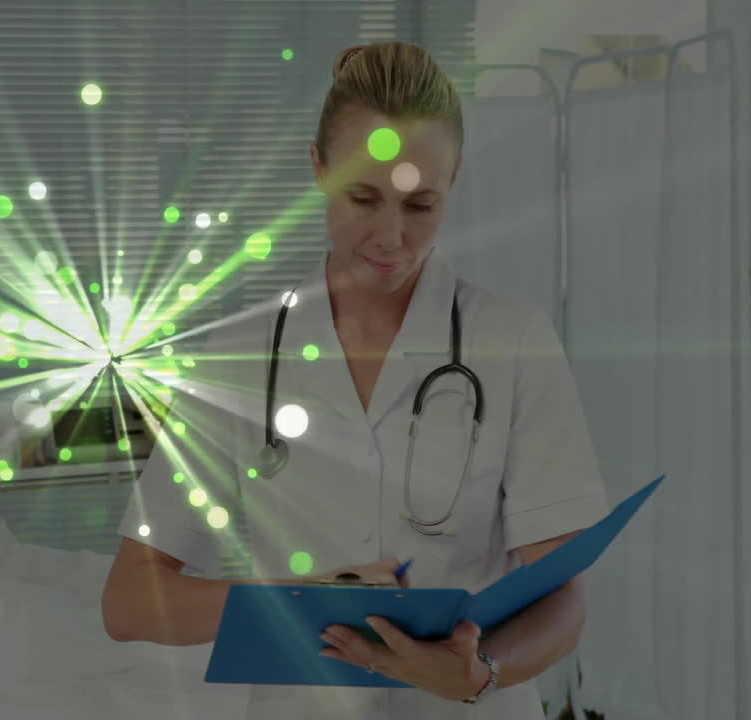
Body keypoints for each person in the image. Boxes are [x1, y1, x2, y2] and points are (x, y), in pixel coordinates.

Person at [101, 41, 610, 719]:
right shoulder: (239, 355)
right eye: (363, 197)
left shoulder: (513, 343)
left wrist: (476, 673)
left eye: (421, 204)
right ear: (317, 168)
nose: (391, 237)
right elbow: (130, 600)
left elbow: (563, 599)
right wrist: (300, 601)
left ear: (453, 183)